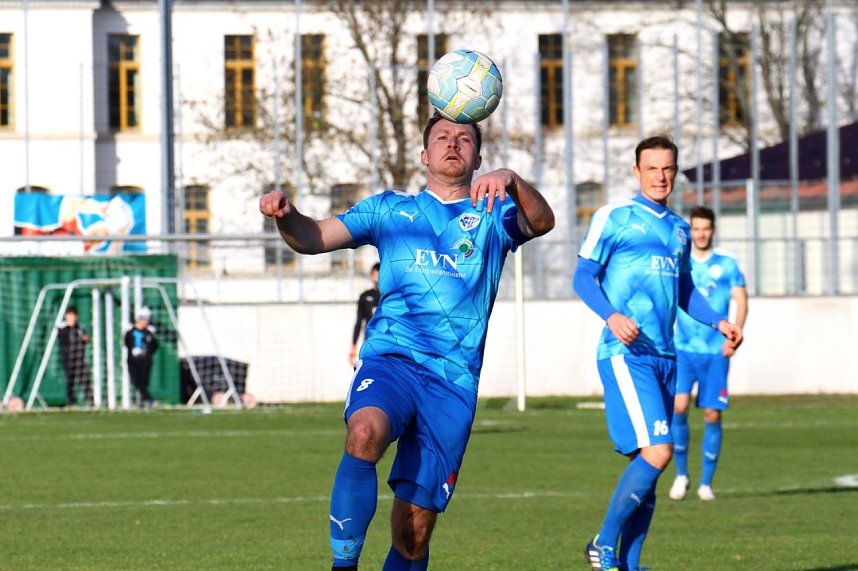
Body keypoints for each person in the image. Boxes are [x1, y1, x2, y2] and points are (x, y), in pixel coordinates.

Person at [259, 112, 554, 571]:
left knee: (412, 535)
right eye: (442, 137)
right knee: (363, 433)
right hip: (391, 361)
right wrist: (286, 214)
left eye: (464, 139)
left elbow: (543, 221)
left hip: (451, 383)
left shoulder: (495, 215)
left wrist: (513, 181)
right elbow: (313, 237)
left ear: (478, 157)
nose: (452, 144)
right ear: (424, 154)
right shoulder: (388, 210)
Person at [572, 135, 743, 571]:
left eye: (667, 168)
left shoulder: (680, 229)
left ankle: (628, 563)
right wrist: (611, 316)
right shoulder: (614, 217)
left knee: (649, 464)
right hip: (626, 353)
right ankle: (602, 544)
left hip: (667, 357)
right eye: (652, 168)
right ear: (636, 171)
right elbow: (583, 277)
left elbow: (684, 288)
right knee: (660, 452)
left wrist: (717, 321)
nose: (660, 176)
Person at [668, 205, 748, 502]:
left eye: (705, 228)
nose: (701, 234)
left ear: (713, 230)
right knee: (678, 407)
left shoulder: (728, 264)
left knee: (712, 414)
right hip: (683, 348)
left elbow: (741, 301)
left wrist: (734, 333)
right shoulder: (679, 261)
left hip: (715, 351)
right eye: (696, 228)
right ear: (690, 231)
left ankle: (705, 483)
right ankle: (681, 474)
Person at [57, 306, 92, 407]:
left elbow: (84, 339)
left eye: (73, 315)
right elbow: (61, 339)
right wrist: (69, 327)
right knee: (70, 381)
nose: (72, 318)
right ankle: (71, 402)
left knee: (85, 380)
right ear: (66, 316)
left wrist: (86, 339)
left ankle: (91, 401)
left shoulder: (80, 327)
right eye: (70, 315)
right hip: (68, 359)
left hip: (79, 359)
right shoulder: (62, 327)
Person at [124, 306, 159, 408]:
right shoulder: (130, 331)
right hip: (133, 361)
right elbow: (127, 342)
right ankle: (150, 399)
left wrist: (147, 353)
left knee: (143, 382)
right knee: (136, 381)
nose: (146, 322)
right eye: (144, 319)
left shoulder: (149, 332)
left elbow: (155, 346)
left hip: (145, 361)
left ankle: (143, 402)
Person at [348, 262, 381, 367]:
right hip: (368, 344)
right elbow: (358, 323)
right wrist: (353, 346)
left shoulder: (391, 297)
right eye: (375, 274)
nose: (377, 277)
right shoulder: (365, 296)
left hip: (387, 344)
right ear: (372, 275)